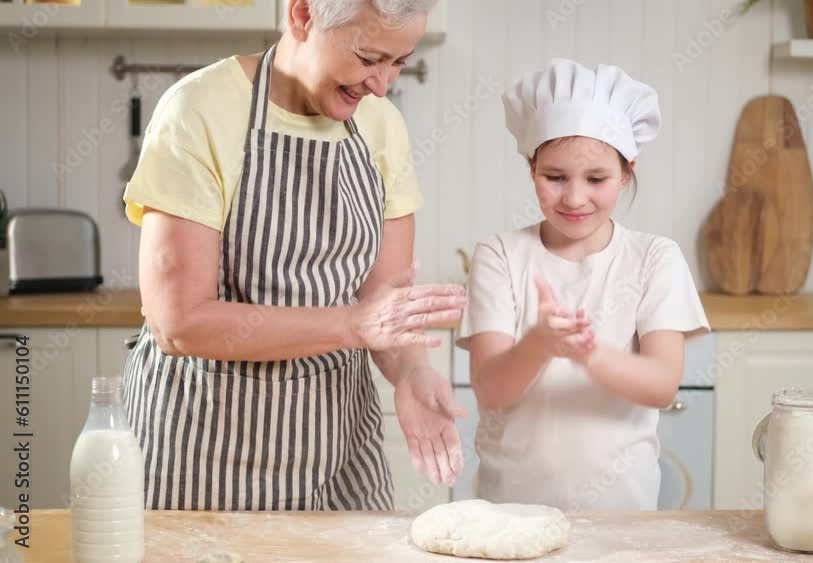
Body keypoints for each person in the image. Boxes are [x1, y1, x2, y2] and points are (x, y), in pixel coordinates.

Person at [121, 0, 468, 511]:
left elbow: (382, 304)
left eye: (399, 61)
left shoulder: (381, 127)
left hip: (338, 451)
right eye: (370, 56)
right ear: (303, 15)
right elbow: (179, 322)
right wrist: (353, 324)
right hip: (202, 451)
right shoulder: (199, 110)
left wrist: (412, 372)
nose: (381, 84)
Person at [457, 59, 710, 511]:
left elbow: (661, 385)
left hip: (623, 516)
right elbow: (491, 389)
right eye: (554, 177)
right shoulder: (499, 255)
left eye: (596, 179)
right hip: (512, 514)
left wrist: (586, 352)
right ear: (531, 168)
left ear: (627, 171)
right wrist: (540, 343)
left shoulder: (654, 258)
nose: (574, 198)